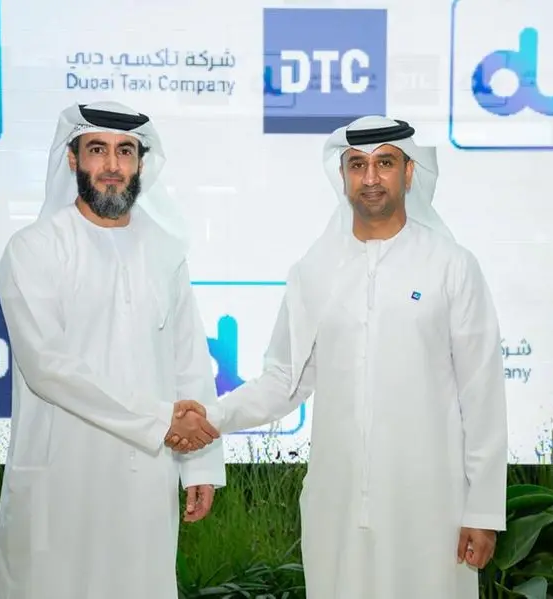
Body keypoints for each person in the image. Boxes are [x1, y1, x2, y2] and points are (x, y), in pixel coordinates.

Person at [167, 115, 509, 597]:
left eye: (385, 163)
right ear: (343, 175)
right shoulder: (314, 271)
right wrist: (213, 417)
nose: (370, 178)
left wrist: (483, 511)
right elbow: (284, 379)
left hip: (431, 505)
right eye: (357, 165)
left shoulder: (451, 266)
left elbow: (482, 395)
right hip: (339, 503)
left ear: (409, 172)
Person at [0, 101, 226, 599]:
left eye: (125, 152)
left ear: (141, 163)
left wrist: (201, 463)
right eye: (97, 150)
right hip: (62, 477)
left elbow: (189, 361)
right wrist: (160, 420)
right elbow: (47, 367)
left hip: (146, 479)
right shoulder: (34, 248)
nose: (113, 165)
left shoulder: (165, 251)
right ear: (73, 159)